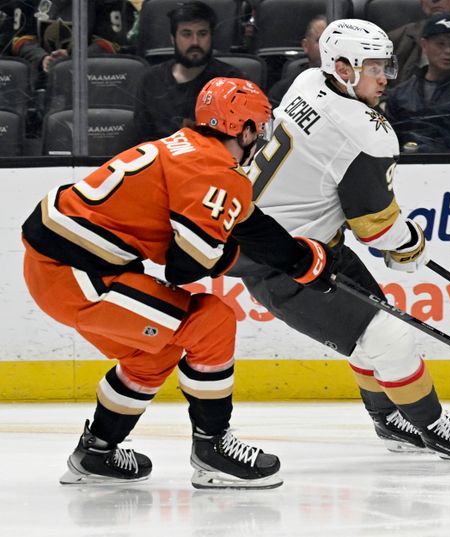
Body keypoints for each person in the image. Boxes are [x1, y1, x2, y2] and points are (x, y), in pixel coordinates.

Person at [21, 77, 335, 488]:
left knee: (153, 354)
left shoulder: (188, 147)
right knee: (211, 321)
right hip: (77, 275)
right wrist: (275, 264)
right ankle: (213, 449)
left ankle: (96, 452)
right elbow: (186, 267)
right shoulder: (215, 172)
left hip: (57, 266)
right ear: (242, 129)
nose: (260, 136)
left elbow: (247, 222)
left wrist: (299, 259)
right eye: (259, 127)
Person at [230, 18, 450, 462]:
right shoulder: (363, 131)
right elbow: (374, 226)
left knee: (372, 331)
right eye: (373, 67)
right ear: (342, 67)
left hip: (306, 246)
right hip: (285, 263)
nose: (384, 78)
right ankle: (431, 426)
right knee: (388, 335)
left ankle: (388, 418)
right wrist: (409, 245)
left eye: (386, 66)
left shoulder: (308, 79)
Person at [133, 1, 244, 143]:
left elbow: (238, 142)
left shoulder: (231, 80)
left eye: (202, 34)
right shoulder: (150, 80)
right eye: (187, 34)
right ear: (173, 39)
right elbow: (143, 142)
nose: (195, 42)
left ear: (211, 36)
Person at [385, 13, 450, 153]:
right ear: (424, 45)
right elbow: (389, 143)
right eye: (440, 44)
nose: (448, 51)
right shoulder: (400, 94)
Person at [0, 1, 133, 79]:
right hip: (37, 78)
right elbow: (19, 38)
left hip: (90, 78)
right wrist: (41, 58)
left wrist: (75, 59)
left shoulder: (109, 2)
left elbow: (110, 42)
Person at [267, 14, 327, 107]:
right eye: (321, 40)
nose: (327, 47)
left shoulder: (354, 89)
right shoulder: (282, 91)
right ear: (305, 46)